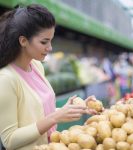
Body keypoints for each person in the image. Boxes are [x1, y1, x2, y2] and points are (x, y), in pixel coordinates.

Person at [0, 4, 97, 150]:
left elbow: (38, 115)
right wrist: (55, 117)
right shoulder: (6, 79)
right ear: (23, 41)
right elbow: (10, 140)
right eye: (44, 42)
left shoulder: (37, 67)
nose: (50, 48)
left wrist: (69, 109)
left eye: (51, 40)